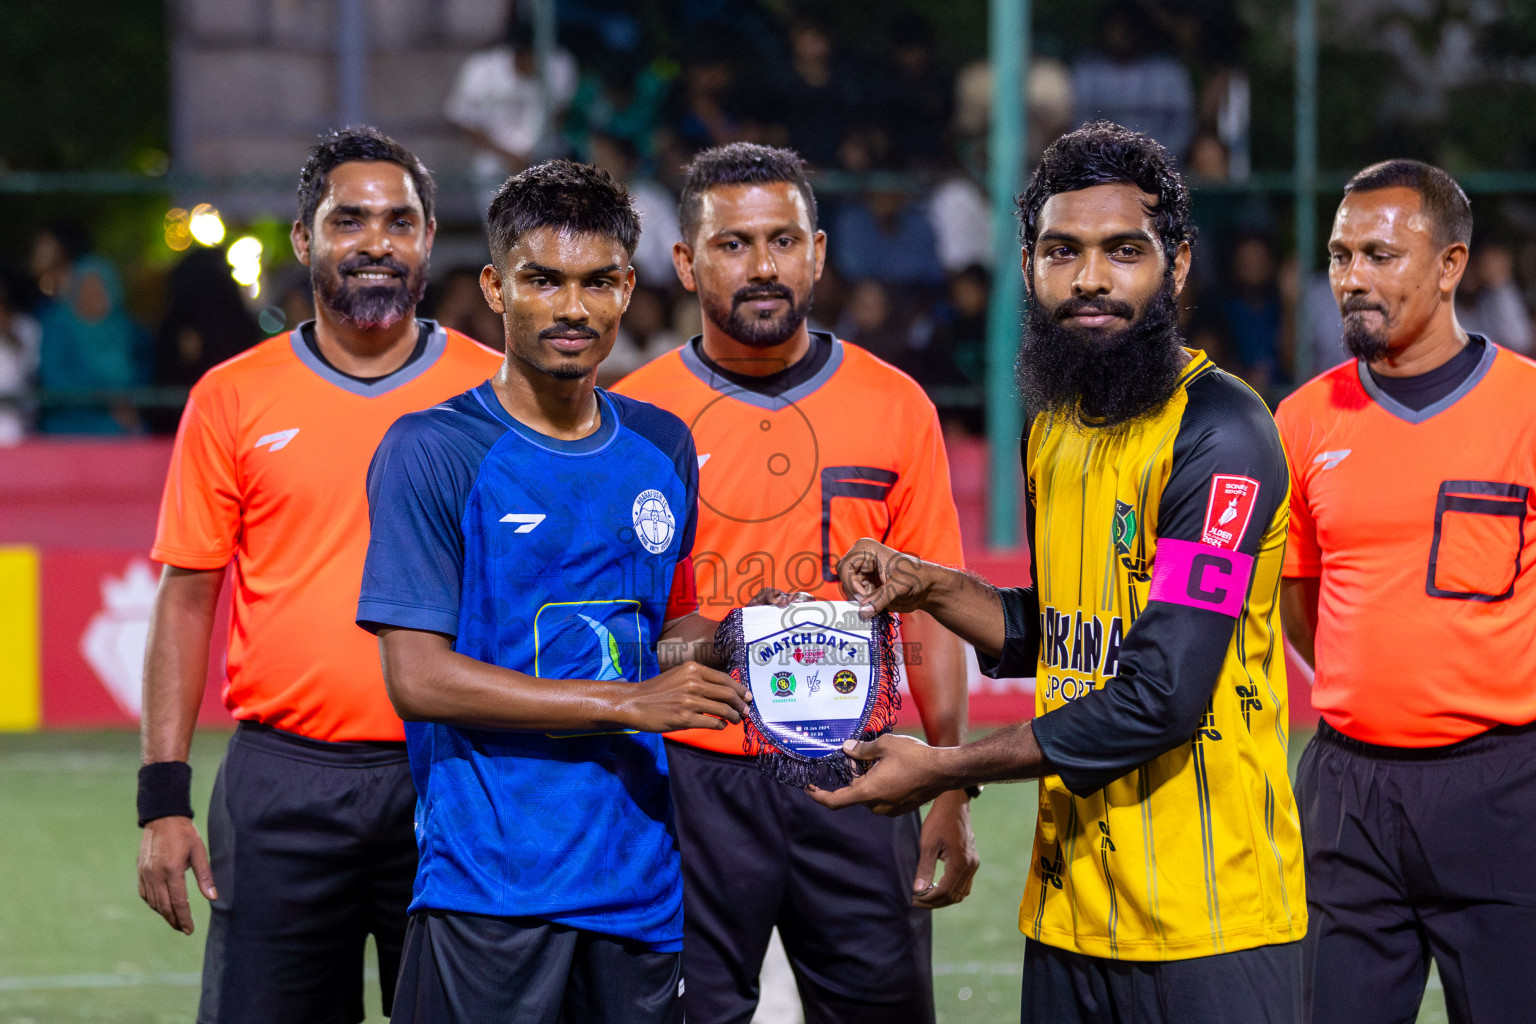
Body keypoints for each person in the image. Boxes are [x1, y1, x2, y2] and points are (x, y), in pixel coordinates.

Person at [810, 123, 1306, 1023]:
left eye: (1124, 252)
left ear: (1180, 265)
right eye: (1061, 252)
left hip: (1212, 928)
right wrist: (927, 584)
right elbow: (1064, 628)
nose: (1090, 280)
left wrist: (945, 768)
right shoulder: (1056, 425)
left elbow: (1161, 693)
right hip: (1068, 914)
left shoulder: (1223, 434)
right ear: (1031, 266)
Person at [355, 159, 748, 1024]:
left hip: (641, 885)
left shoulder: (661, 443)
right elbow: (417, 678)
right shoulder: (434, 448)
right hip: (490, 887)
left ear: (627, 290)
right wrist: (628, 703)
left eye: (599, 282)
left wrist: (754, 636)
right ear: (496, 287)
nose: (574, 308)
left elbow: (662, 632)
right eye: (545, 280)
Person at [134, 126, 504, 1024]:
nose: (375, 240)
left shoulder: (499, 394)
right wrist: (162, 800)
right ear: (305, 240)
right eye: (349, 220)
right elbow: (187, 602)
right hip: (283, 784)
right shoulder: (232, 395)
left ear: (426, 241)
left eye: (400, 221)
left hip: (456, 776)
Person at [615, 142, 978, 1024]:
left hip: (858, 774)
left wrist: (950, 782)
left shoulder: (896, 405)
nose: (763, 265)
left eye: (784, 240)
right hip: (691, 782)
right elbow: (622, 630)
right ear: (684, 262)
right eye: (734, 244)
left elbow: (932, 614)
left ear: (818, 253)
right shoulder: (633, 415)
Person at [1276, 160, 1536, 1024]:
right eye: (1341, 256)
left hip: (1505, 789)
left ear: (1451, 264)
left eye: (1380, 256)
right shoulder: (1303, 419)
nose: (1353, 277)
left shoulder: (1527, 406)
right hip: (1348, 793)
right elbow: (1298, 597)